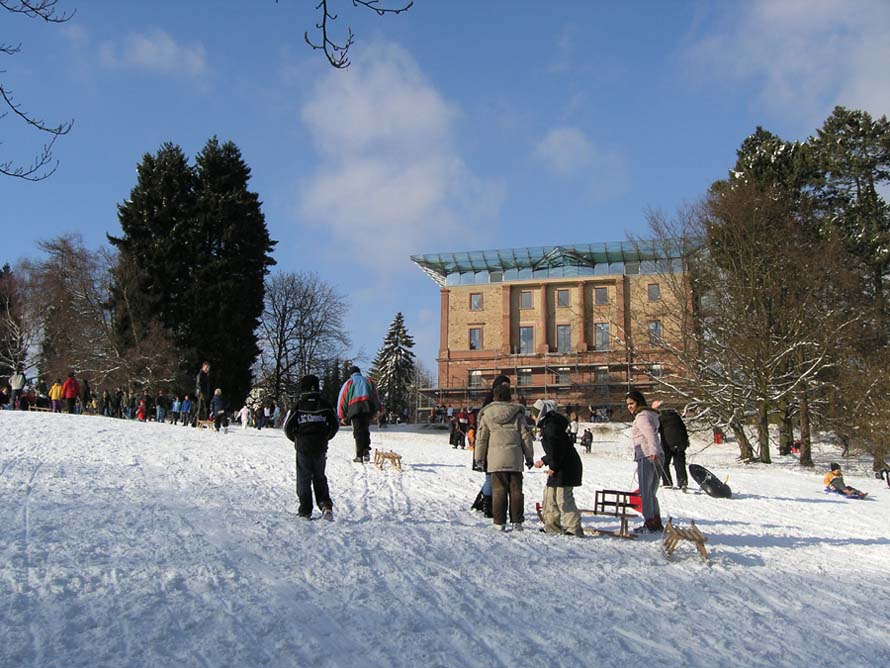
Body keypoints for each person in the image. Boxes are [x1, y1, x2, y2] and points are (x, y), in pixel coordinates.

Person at [474, 382, 534, 531]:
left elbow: (481, 438)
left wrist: (479, 458)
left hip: (496, 460)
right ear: (509, 397)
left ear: (495, 396)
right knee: (516, 491)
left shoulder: (487, 415)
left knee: (499, 491)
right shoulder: (518, 414)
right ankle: (517, 522)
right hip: (514, 459)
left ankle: (499, 522)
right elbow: (526, 437)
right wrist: (529, 457)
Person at [284, 374, 340, 521]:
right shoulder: (325, 405)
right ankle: (325, 506)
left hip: (303, 446)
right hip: (320, 446)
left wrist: (295, 439)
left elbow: (287, 427)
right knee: (320, 477)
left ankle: (305, 511)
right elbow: (335, 424)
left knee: (303, 478)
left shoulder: (298, 406)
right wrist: (327, 437)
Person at [532, 399, 584, 536]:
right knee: (550, 496)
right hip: (560, 464)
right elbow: (554, 451)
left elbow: (558, 450)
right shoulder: (548, 426)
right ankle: (552, 526)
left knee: (563, 498)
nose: (531, 417)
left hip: (566, 467)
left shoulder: (551, 427)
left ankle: (573, 528)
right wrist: (544, 461)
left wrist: (553, 467)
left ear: (540, 414)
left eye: (533, 414)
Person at [470, 375, 511, 518]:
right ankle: (487, 506)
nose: (506, 389)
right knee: (490, 478)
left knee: (493, 478)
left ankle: (480, 503)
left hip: (499, 446)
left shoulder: (504, 404)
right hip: (489, 446)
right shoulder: (490, 404)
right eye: (504, 386)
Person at [625, 389, 664, 533]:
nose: (629, 406)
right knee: (651, 491)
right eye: (628, 404)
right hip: (657, 454)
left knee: (645, 492)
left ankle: (649, 522)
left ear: (638, 402)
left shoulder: (641, 417)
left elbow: (649, 434)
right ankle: (656, 521)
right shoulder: (649, 414)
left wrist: (653, 451)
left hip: (647, 456)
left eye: (632, 403)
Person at [336, 366, 381, 463]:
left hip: (354, 409)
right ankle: (366, 451)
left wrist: (341, 415)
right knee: (365, 430)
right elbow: (375, 396)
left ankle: (359, 455)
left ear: (351, 374)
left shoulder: (349, 382)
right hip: (367, 408)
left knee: (357, 432)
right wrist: (378, 409)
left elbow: (342, 399)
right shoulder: (368, 381)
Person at [652, 400, 690, 490]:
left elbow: (657, 430)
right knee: (680, 463)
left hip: (667, 444)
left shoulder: (661, 419)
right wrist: (685, 442)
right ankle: (682, 482)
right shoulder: (677, 417)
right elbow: (684, 429)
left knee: (664, 463)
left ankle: (667, 482)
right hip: (680, 443)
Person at [194, 361, 211, 425]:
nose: (207, 369)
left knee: (202, 408)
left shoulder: (206, 375)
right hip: (200, 393)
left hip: (204, 393)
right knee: (200, 408)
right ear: (203, 367)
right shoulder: (201, 374)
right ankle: (196, 422)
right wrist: (200, 392)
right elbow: (199, 384)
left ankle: (197, 422)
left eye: (208, 368)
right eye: (206, 368)